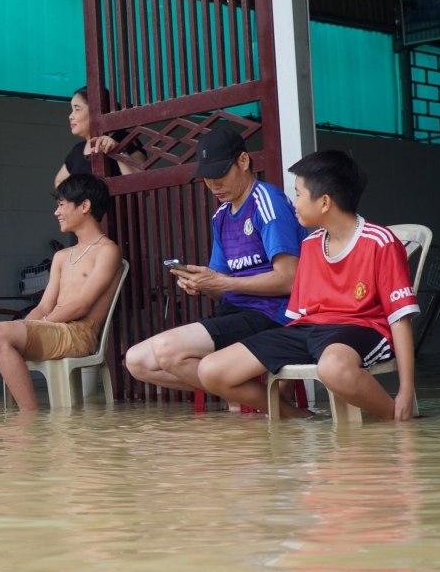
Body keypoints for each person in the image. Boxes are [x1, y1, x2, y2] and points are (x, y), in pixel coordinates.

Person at [197, 150, 419, 421]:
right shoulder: (310, 244)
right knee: (211, 370)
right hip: (308, 330)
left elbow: (400, 318)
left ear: (324, 202)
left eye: (299, 194)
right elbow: (296, 319)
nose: (294, 204)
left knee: (333, 367)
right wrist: (282, 375)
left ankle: (396, 419)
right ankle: (303, 419)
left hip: (360, 327)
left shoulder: (380, 242)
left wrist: (406, 390)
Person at [124, 126, 306, 393]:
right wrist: (202, 284)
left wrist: (222, 282)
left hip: (270, 315)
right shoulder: (221, 216)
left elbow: (289, 280)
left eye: (220, 174)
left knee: (167, 349)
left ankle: (268, 408)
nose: (213, 185)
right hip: (234, 314)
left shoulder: (267, 201)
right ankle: (245, 399)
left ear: (243, 161)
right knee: (137, 362)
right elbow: (221, 290)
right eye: (207, 177)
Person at [0, 173, 124, 411]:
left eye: (61, 205)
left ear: (85, 206)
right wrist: (25, 327)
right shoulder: (62, 256)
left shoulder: (107, 250)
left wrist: (36, 326)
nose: (56, 213)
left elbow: (82, 305)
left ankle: (29, 418)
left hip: (78, 333)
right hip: (50, 329)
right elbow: (43, 306)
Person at [53, 86, 144, 187]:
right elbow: (59, 182)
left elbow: (143, 185)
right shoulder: (78, 150)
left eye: (77, 109)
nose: (71, 116)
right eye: (72, 110)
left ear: (96, 111)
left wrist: (118, 150)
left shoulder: (125, 139)